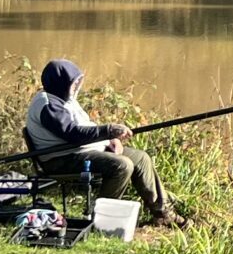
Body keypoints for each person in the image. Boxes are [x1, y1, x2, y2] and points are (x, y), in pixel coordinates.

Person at [22, 58, 184, 228]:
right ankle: (102, 221)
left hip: (81, 151)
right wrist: (109, 130)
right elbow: (73, 134)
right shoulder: (48, 105)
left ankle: (163, 214)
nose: (77, 86)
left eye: (77, 82)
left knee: (141, 158)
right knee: (122, 166)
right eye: (73, 83)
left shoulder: (64, 99)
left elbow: (86, 127)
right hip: (61, 159)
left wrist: (110, 139)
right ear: (61, 83)